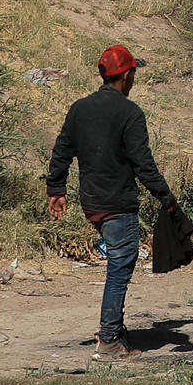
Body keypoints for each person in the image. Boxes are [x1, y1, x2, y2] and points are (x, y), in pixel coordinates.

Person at [45, 45, 179, 358]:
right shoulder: (130, 113)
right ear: (128, 75)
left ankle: (113, 327)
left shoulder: (80, 109)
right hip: (117, 204)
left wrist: (56, 189)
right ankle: (108, 340)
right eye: (133, 73)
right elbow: (143, 163)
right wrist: (166, 196)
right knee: (120, 266)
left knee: (118, 262)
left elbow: (62, 150)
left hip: (91, 202)